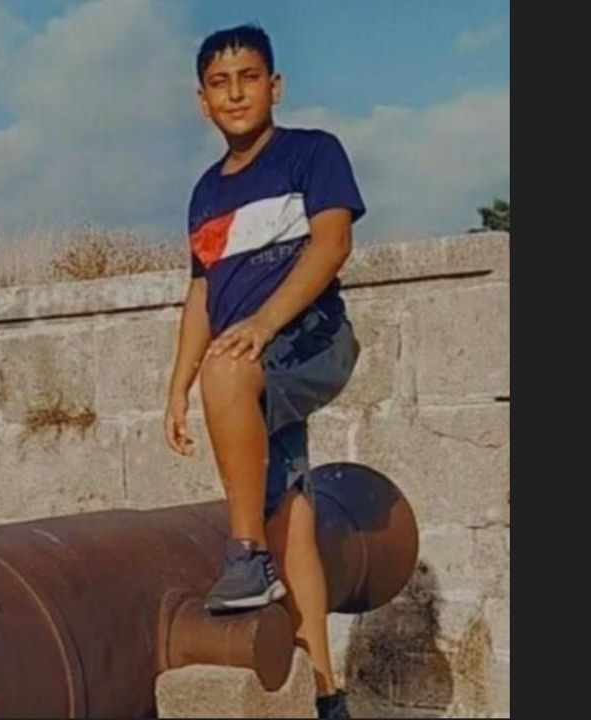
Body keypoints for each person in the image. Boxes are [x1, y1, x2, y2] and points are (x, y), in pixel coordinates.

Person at [162, 23, 364, 720]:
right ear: (202, 101)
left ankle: (243, 554)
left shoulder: (312, 153)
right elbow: (201, 294)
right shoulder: (204, 194)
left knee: (227, 368)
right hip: (252, 363)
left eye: (248, 78)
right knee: (290, 511)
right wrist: (176, 385)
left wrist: (262, 324)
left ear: (274, 86)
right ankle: (326, 692)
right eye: (220, 84)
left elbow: (332, 244)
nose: (235, 93)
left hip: (311, 339)